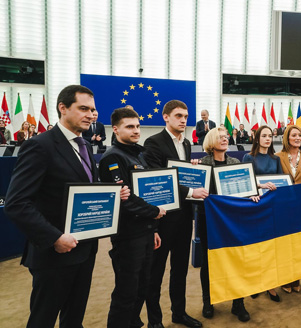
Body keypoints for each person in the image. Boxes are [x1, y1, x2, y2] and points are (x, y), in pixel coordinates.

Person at [5, 85, 129, 327]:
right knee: (43, 319)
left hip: (85, 250)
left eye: (92, 110)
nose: (91, 115)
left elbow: (81, 189)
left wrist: (113, 194)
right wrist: (54, 238)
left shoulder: (83, 146)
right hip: (54, 254)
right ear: (62, 108)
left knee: (74, 319)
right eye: (83, 108)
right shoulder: (40, 145)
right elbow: (17, 203)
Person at [143, 100, 209, 328]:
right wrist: (192, 189)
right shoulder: (153, 143)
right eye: (178, 116)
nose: (183, 120)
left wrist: (191, 170)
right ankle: (154, 322)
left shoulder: (187, 143)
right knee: (155, 274)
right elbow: (159, 180)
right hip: (161, 219)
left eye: (186, 116)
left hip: (183, 218)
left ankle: (178, 314)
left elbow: (179, 175)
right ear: (166, 117)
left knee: (180, 270)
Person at [99, 107, 166, 327]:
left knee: (141, 288)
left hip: (145, 233)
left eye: (137, 126)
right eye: (130, 126)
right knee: (126, 293)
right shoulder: (113, 157)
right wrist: (155, 212)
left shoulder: (138, 154)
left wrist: (154, 228)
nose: (136, 130)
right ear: (116, 129)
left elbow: (145, 192)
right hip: (127, 236)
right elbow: (126, 200)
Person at [197, 127, 251, 322]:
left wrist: (252, 191)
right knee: (209, 261)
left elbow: (244, 189)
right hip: (208, 219)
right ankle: (208, 301)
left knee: (237, 260)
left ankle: (238, 303)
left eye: (226, 137)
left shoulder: (235, 162)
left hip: (232, 219)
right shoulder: (202, 164)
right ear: (211, 141)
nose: (225, 139)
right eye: (220, 137)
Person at [242, 125, 283, 302]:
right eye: (264, 135)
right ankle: (253, 283)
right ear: (257, 138)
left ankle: (270, 286)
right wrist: (260, 186)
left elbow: (282, 182)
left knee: (270, 248)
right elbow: (245, 181)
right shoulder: (248, 157)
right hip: (254, 206)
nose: (268, 138)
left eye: (270, 136)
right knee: (254, 248)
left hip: (271, 207)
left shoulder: (276, 159)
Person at [275, 125, 301, 294]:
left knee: (299, 244)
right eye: (294, 135)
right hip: (283, 207)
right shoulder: (278, 156)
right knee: (285, 244)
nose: (298, 138)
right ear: (287, 137)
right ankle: (285, 278)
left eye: (300, 135)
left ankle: (296, 278)